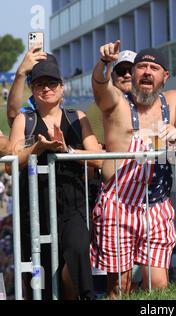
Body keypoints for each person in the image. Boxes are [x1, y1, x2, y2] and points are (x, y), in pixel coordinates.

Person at [90, 41, 176, 297]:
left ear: (165, 76)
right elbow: (99, 88)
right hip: (119, 206)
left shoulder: (174, 101)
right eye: (141, 67)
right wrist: (104, 64)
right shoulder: (117, 102)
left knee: (158, 286)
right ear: (134, 73)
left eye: (154, 67)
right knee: (120, 286)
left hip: (158, 206)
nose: (147, 72)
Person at [8, 52, 102, 300]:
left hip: (72, 206)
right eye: (40, 84)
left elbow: (99, 158)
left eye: (52, 83)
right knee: (43, 285)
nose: (46, 89)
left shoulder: (77, 118)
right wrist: (37, 149)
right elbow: (10, 163)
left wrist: (67, 150)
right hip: (34, 211)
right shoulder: (24, 120)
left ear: (62, 88)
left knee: (78, 252)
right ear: (33, 89)